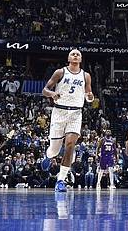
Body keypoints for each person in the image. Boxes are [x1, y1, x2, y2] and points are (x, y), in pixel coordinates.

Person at [41, 49, 96, 192]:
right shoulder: (60, 72)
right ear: (68, 58)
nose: (76, 55)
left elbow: (89, 95)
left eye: (78, 54)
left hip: (76, 113)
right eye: (73, 54)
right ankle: (48, 156)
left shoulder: (86, 75)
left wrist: (90, 97)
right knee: (54, 150)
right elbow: (45, 90)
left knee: (70, 145)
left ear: (81, 59)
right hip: (59, 112)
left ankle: (61, 180)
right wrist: (52, 94)